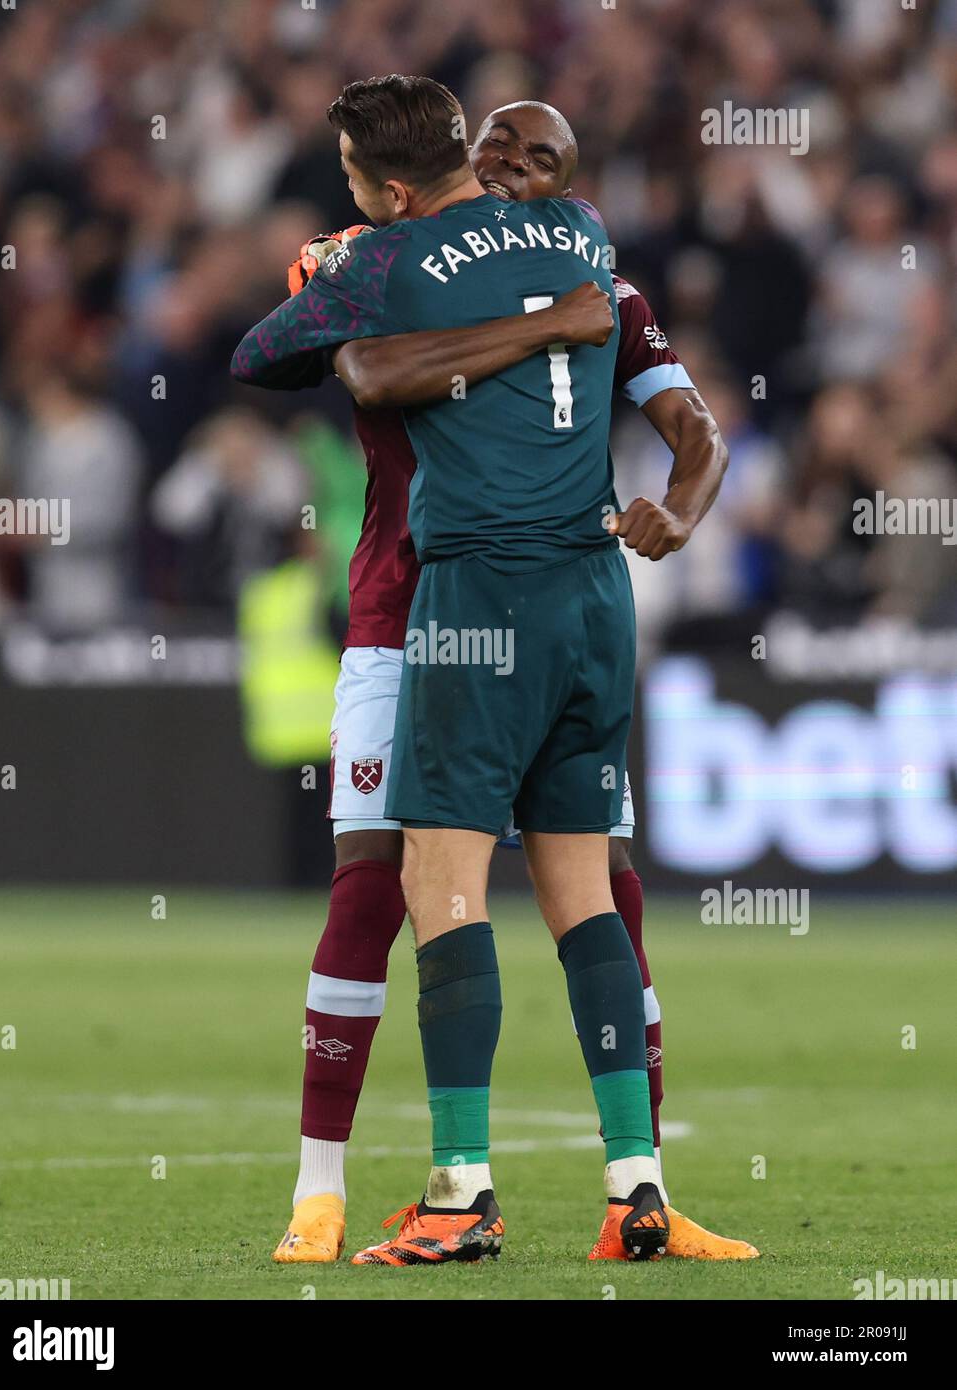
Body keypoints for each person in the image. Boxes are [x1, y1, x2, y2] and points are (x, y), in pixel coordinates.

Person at [233, 77, 751, 1268]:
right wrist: (553, 324)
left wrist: (348, 269)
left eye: (536, 150)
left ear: (389, 185)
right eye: (493, 142)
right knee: (569, 894)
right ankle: (629, 1196)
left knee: (442, 881)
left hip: (473, 595)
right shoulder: (585, 250)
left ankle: (462, 1194)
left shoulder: (392, 259)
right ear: (463, 154)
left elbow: (328, 372)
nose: (511, 161)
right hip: (582, 599)